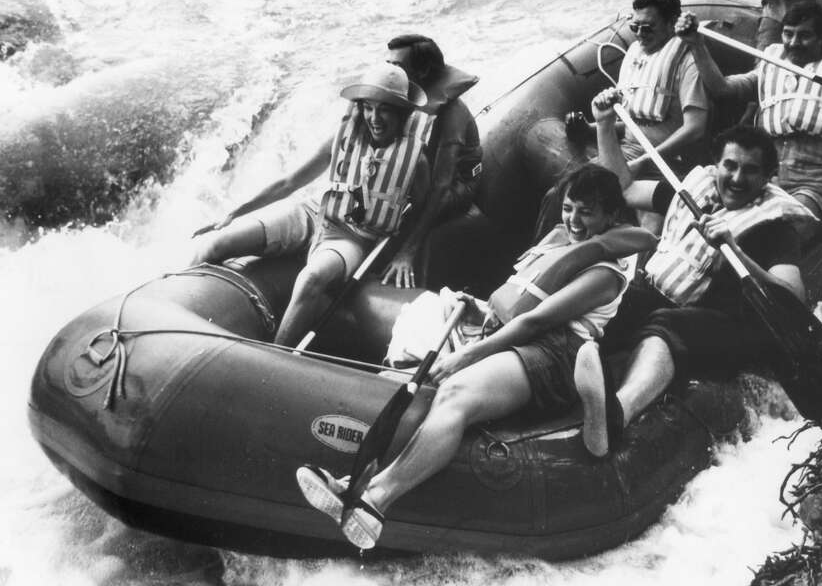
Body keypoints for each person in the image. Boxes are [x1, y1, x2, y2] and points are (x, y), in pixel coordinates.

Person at [295, 163, 657, 548]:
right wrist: (482, 310)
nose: (574, 220)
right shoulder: (560, 242)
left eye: (587, 212)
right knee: (408, 382)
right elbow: (516, 304)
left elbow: (534, 322)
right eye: (569, 208)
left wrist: (464, 357)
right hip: (511, 335)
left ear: (610, 216)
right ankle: (355, 483)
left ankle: (377, 500)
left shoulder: (605, 271)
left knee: (455, 393)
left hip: (556, 356)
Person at [575, 98, 814, 457]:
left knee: (668, 322)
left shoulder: (775, 228)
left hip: (728, 324)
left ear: (767, 179)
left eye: (750, 171)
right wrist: (605, 124)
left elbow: (793, 298)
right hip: (661, 297)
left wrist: (734, 248)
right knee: (618, 299)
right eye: (729, 166)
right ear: (716, 165)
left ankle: (617, 414)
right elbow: (623, 188)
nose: (736, 178)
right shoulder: (694, 189)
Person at [189, 64, 432, 346]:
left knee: (311, 278)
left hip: (353, 238)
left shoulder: (416, 161)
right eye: (368, 108)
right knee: (215, 244)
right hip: (311, 215)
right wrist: (235, 212)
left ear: (401, 112)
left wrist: (406, 252)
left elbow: (423, 210)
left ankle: (272, 356)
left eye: (385, 110)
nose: (374, 118)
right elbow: (289, 182)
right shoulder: (344, 136)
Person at [678, 0, 822, 239]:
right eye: (788, 34)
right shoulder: (768, 72)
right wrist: (696, 44)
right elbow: (722, 89)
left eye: (804, 36)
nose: (793, 43)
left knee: (779, 231)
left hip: (815, 184)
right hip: (765, 179)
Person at [568, 0, 709, 178]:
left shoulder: (688, 62)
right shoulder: (635, 54)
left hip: (666, 161)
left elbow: (695, 129)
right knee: (560, 191)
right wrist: (588, 129)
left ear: (672, 24)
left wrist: (646, 161)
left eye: (648, 28)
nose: (640, 34)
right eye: (635, 27)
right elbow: (632, 123)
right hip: (627, 151)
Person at [380, 34, 482, 287]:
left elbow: (441, 187)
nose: (388, 73)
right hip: (423, 175)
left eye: (397, 67)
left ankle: (414, 279)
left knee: (404, 217)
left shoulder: (452, 113)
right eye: (387, 64)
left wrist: (408, 250)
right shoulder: (405, 97)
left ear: (422, 70)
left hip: (458, 186)